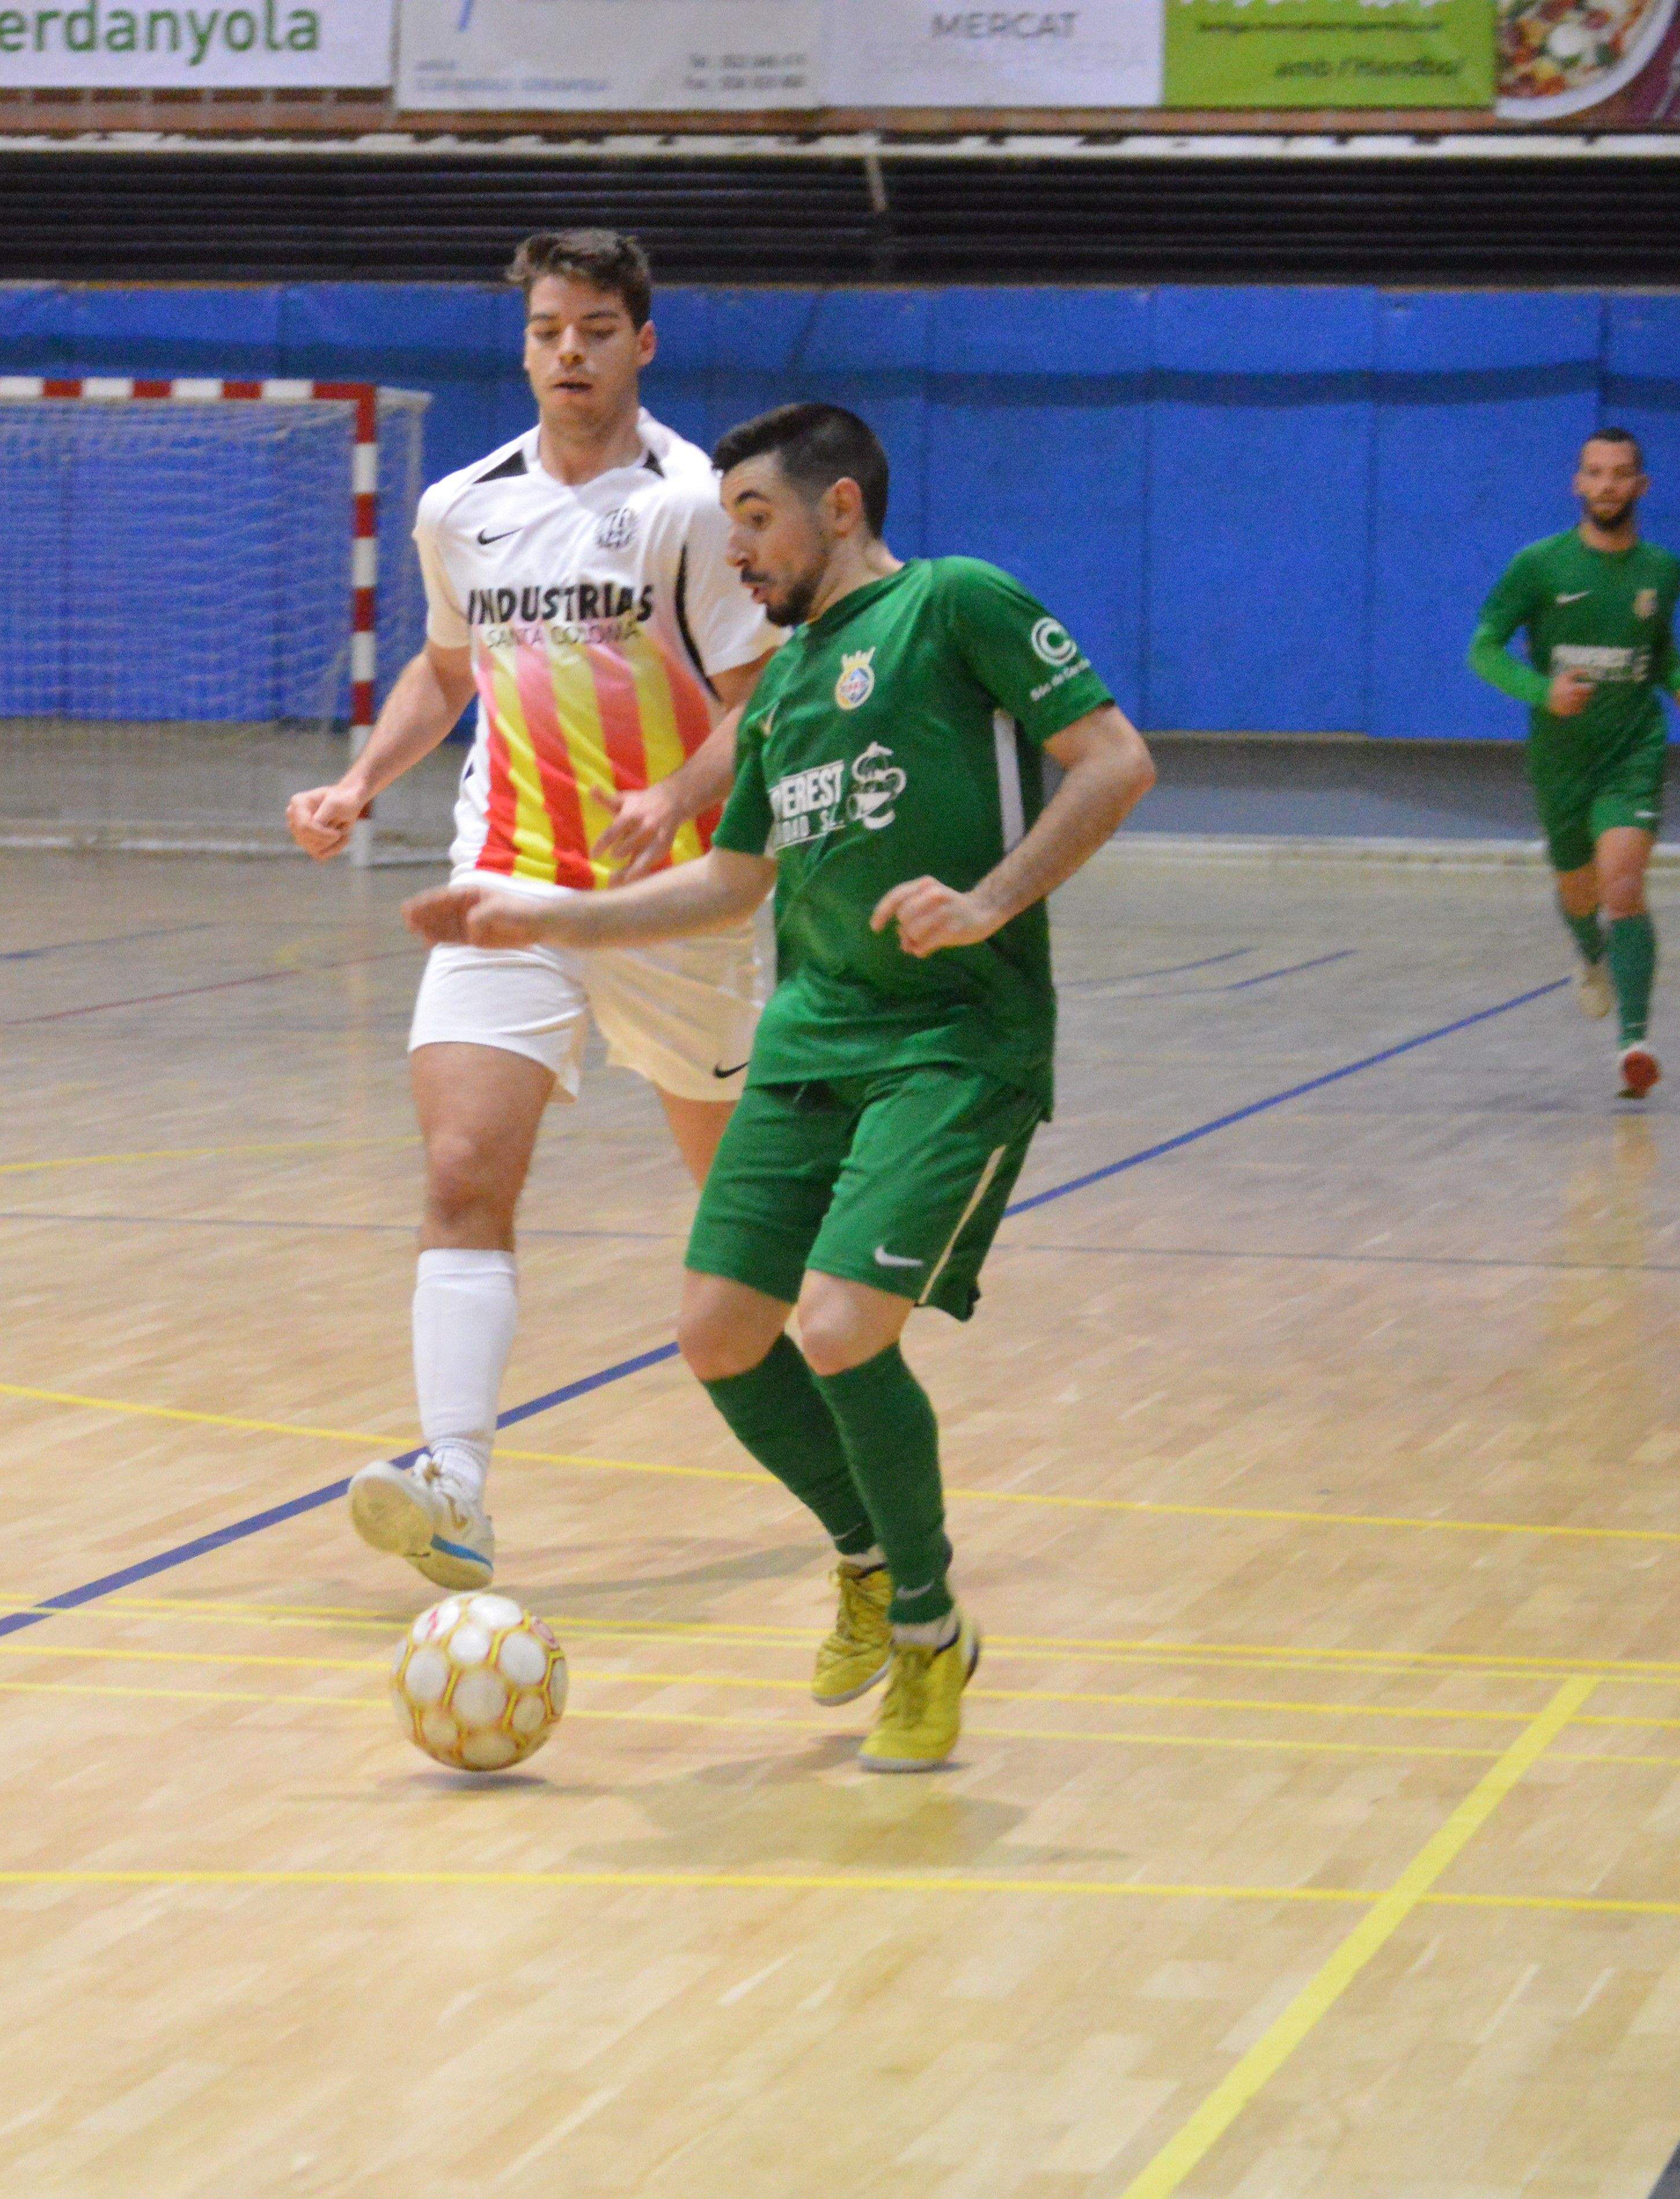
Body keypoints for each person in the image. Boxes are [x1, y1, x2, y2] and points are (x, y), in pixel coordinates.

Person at [408, 402, 1156, 1772]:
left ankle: (930, 1633)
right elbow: (732, 881)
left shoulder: (957, 606)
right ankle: (868, 1555)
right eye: (729, 523)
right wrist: (546, 914)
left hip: (952, 1042)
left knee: (836, 1324)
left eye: (754, 519)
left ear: (843, 509)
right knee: (715, 1334)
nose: (734, 547)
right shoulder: (786, 688)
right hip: (812, 1044)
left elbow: (1115, 760)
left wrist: (994, 898)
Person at [285, 229, 778, 1594]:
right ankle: (453, 1481)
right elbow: (446, 675)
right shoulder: (462, 508)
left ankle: (853, 1461)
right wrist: (359, 780)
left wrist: (673, 790)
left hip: (676, 907)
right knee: (459, 1174)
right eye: (550, 327)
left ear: (643, 343)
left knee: (744, 1236)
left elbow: (764, 705)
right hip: (505, 889)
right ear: (526, 344)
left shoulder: (695, 506)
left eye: (599, 327)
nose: (572, 349)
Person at [1470, 428, 1680, 1098]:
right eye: (1594, 473)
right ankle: (1589, 955)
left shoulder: (1662, 569)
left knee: (1622, 885)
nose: (1607, 486)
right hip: (1560, 761)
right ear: (1577, 484)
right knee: (1580, 893)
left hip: (1632, 752)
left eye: (1619, 475)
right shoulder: (1540, 565)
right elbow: (1484, 648)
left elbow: (1658, 649)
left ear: (1640, 486)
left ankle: (1634, 1045)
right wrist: (1541, 691)